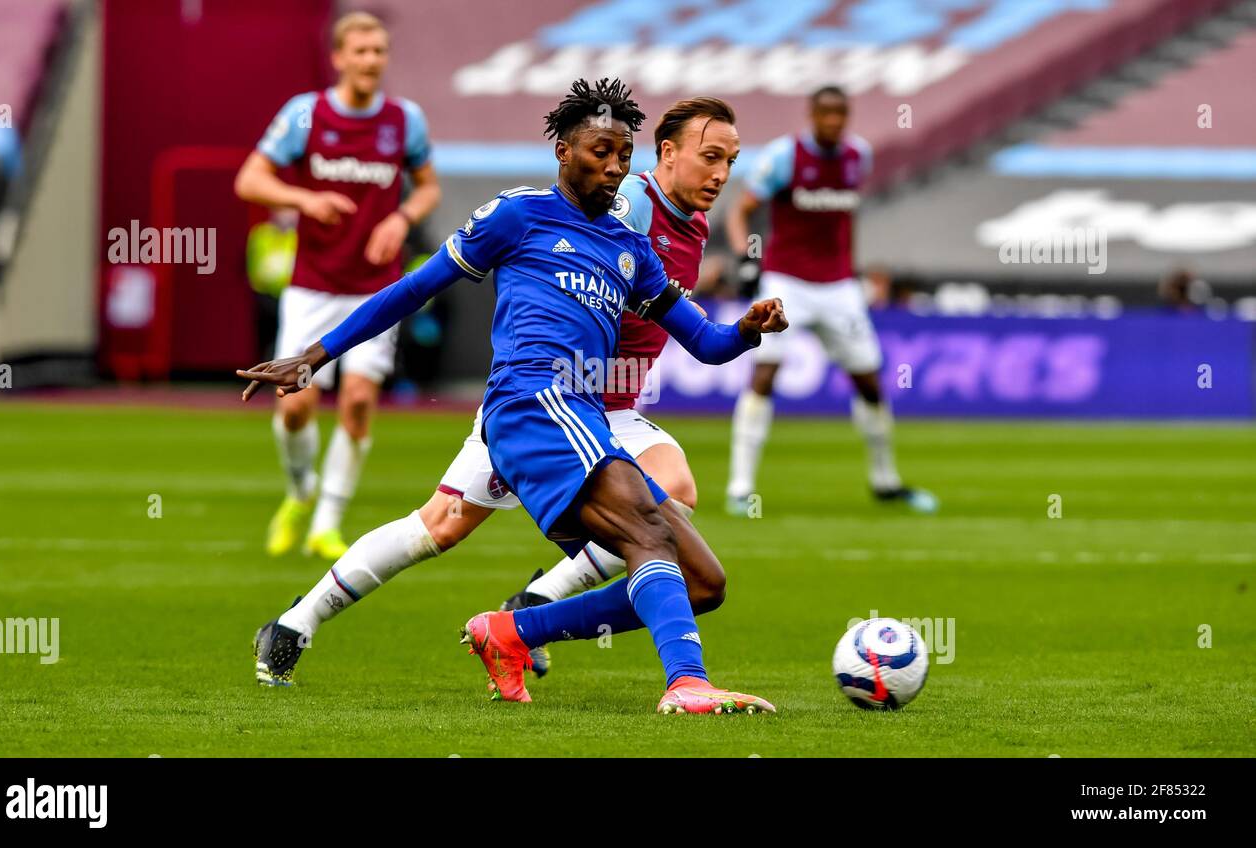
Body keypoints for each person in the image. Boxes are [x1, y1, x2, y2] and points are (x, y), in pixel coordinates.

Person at [240, 78, 787, 714]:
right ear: (563, 151)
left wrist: (747, 331)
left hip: (582, 414)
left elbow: (707, 342)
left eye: (620, 155)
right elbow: (416, 289)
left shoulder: (632, 249)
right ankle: (681, 681)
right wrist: (315, 355)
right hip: (537, 404)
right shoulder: (521, 214)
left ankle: (510, 629)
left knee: (702, 580)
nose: (613, 167)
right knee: (649, 525)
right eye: (599, 152)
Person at [233, 11, 440, 561]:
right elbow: (249, 179)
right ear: (339, 57)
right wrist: (304, 199)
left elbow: (427, 188)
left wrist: (401, 219)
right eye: (362, 51)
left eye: (379, 51)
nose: (372, 60)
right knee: (295, 406)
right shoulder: (306, 115)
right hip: (314, 287)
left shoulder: (404, 121)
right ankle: (300, 492)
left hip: (377, 289)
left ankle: (327, 522)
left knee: (356, 401)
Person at [725, 85, 936, 515]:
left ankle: (885, 481)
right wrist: (746, 259)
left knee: (870, 383)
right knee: (764, 374)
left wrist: (851, 269)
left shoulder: (858, 156)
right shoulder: (785, 157)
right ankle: (739, 487)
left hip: (839, 286)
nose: (834, 122)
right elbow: (739, 210)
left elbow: (844, 221)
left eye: (841, 114)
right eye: (827, 114)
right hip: (787, 282)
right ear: (812, 114)